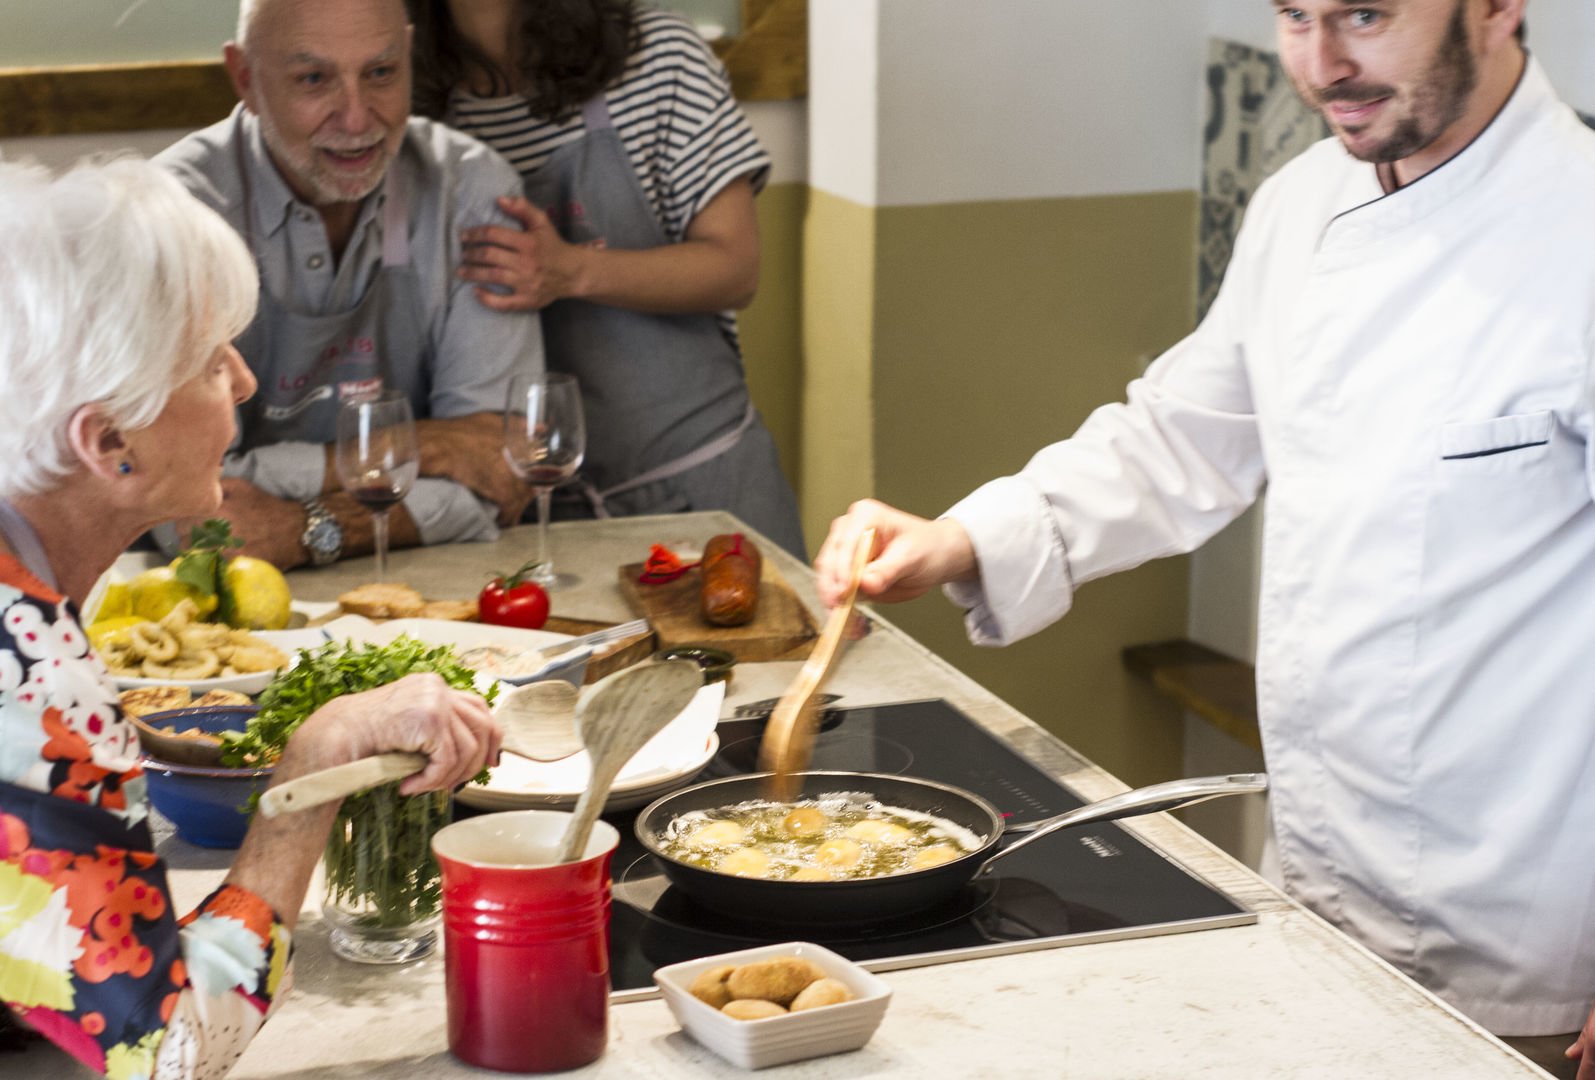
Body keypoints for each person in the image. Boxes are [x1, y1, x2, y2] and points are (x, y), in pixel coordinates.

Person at [815, 1, 1595, 1076]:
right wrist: (961, 537)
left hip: (1528, 928)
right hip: (1318, 871)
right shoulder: (1301, 200)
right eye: (1292, 16)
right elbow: (1179, 437)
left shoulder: (1578, 230)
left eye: (1363, 13)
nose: (1321, 65)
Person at [0, 157, 502, 1076]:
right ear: (109, 439)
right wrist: (309, 773)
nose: (241, 382)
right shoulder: (29, 689)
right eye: (207, 360)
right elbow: (170, 1048)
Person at [404, 0, 807, 559]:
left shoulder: (657, 55)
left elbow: (734, 267)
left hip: (704, 495)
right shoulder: (397, 95)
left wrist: (570, 270)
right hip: (527, 521)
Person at [155, 0, 544, 571]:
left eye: (381, 73)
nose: (358, 120)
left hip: (428, 589)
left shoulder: (472, 191)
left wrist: (302, 529)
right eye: (314, 79)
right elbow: (191, 511)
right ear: (246, 78)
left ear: (408, 55)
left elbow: (497, 472)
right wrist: (412, 447)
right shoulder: (171, 218)